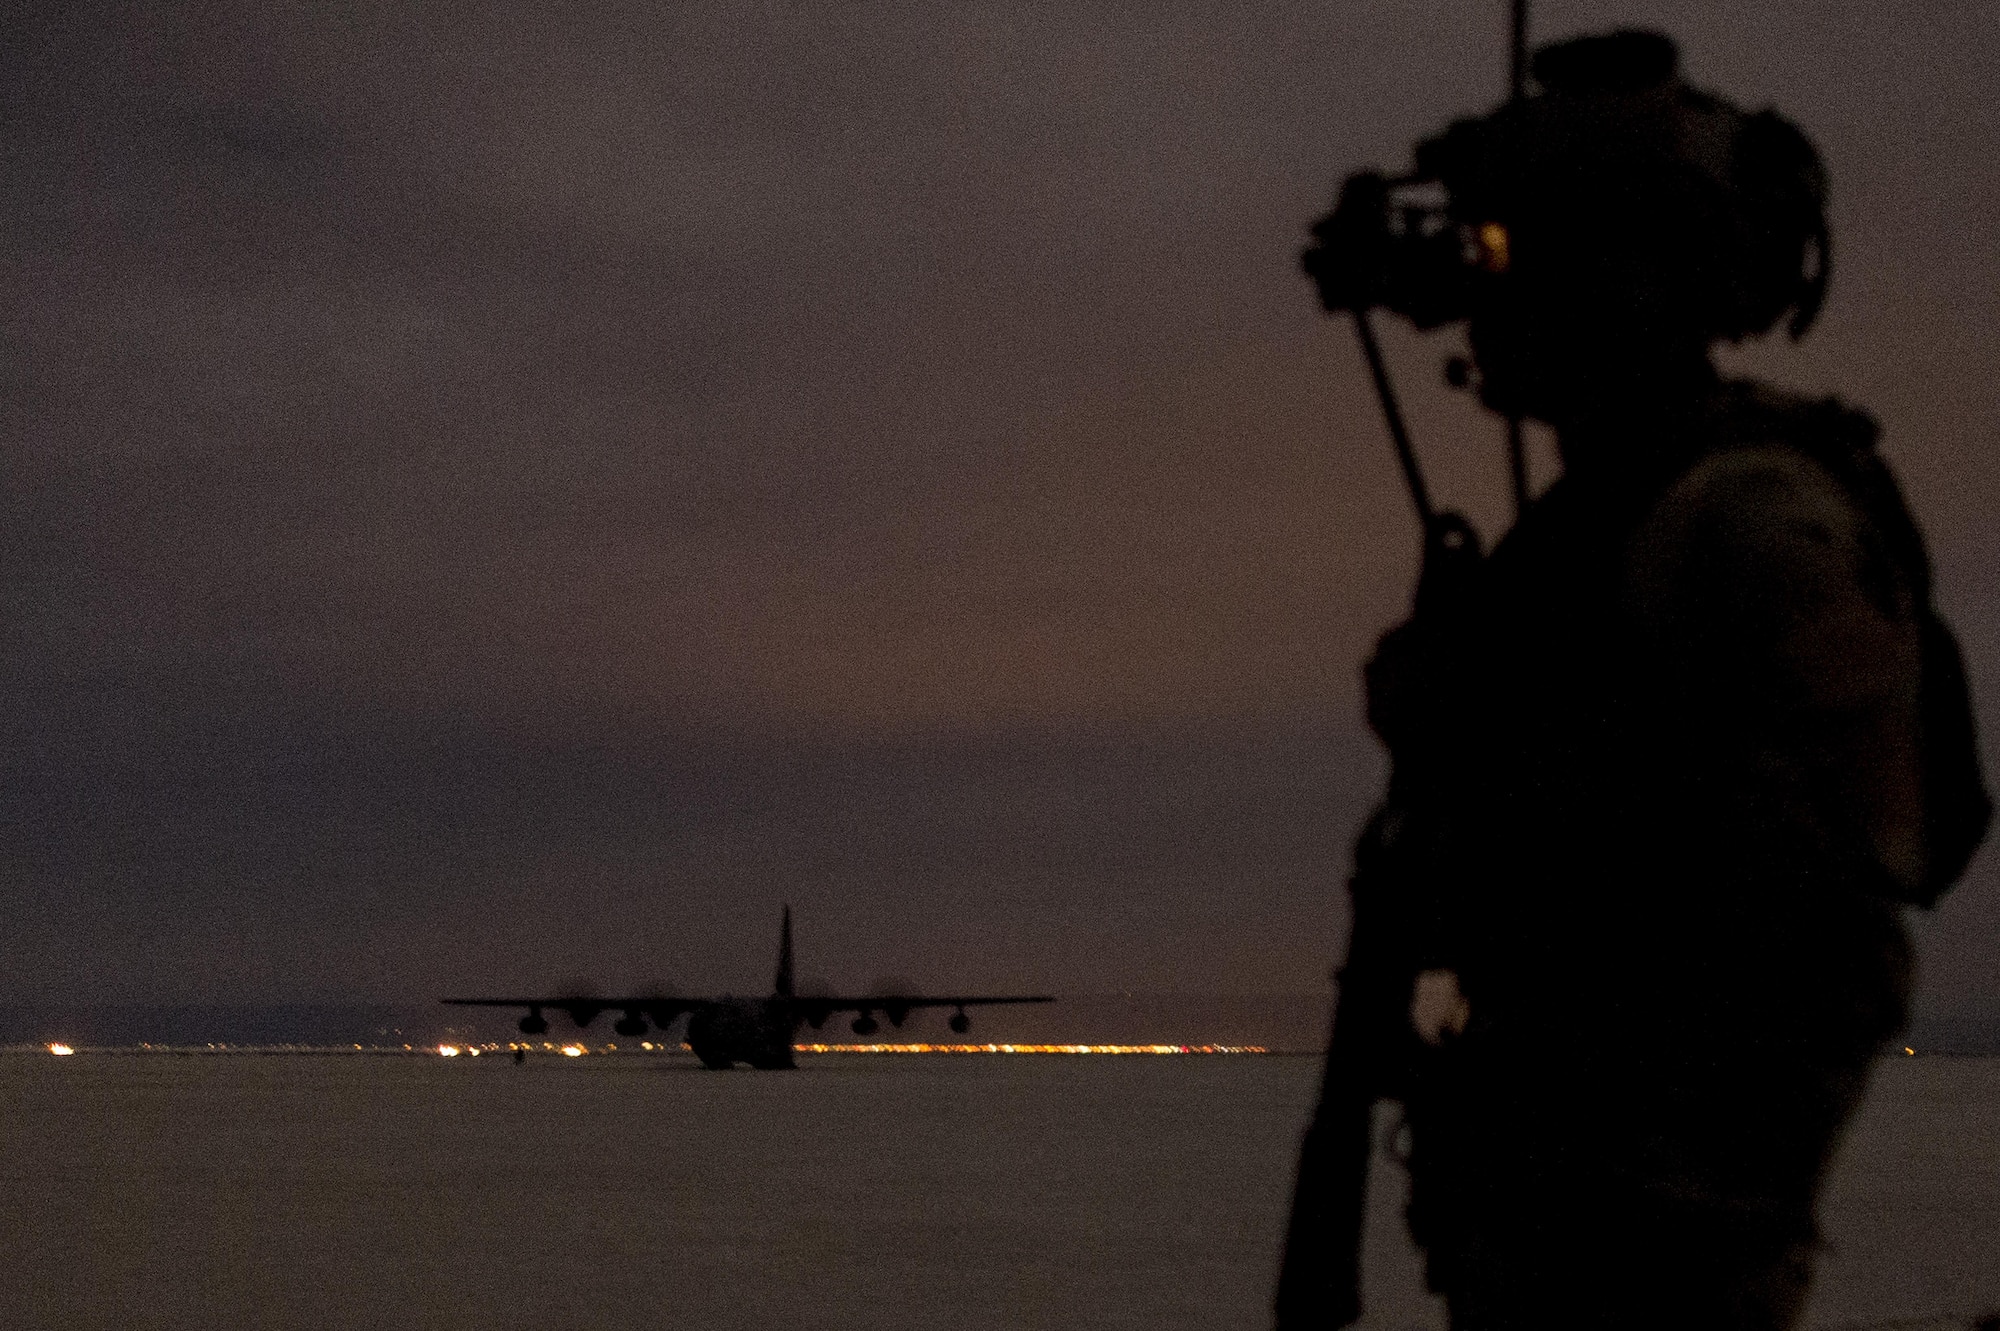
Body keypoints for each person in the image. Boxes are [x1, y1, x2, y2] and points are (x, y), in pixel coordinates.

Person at [1276, 30, 1988, 1331]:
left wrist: (1650, 1193)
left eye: (1517, 259)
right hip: (1551, 1234)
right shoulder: (1601, 529)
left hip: (1652, 1255)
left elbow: (1836, 904)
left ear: (1624, 271)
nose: (1486, 307)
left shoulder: (1741, 517)